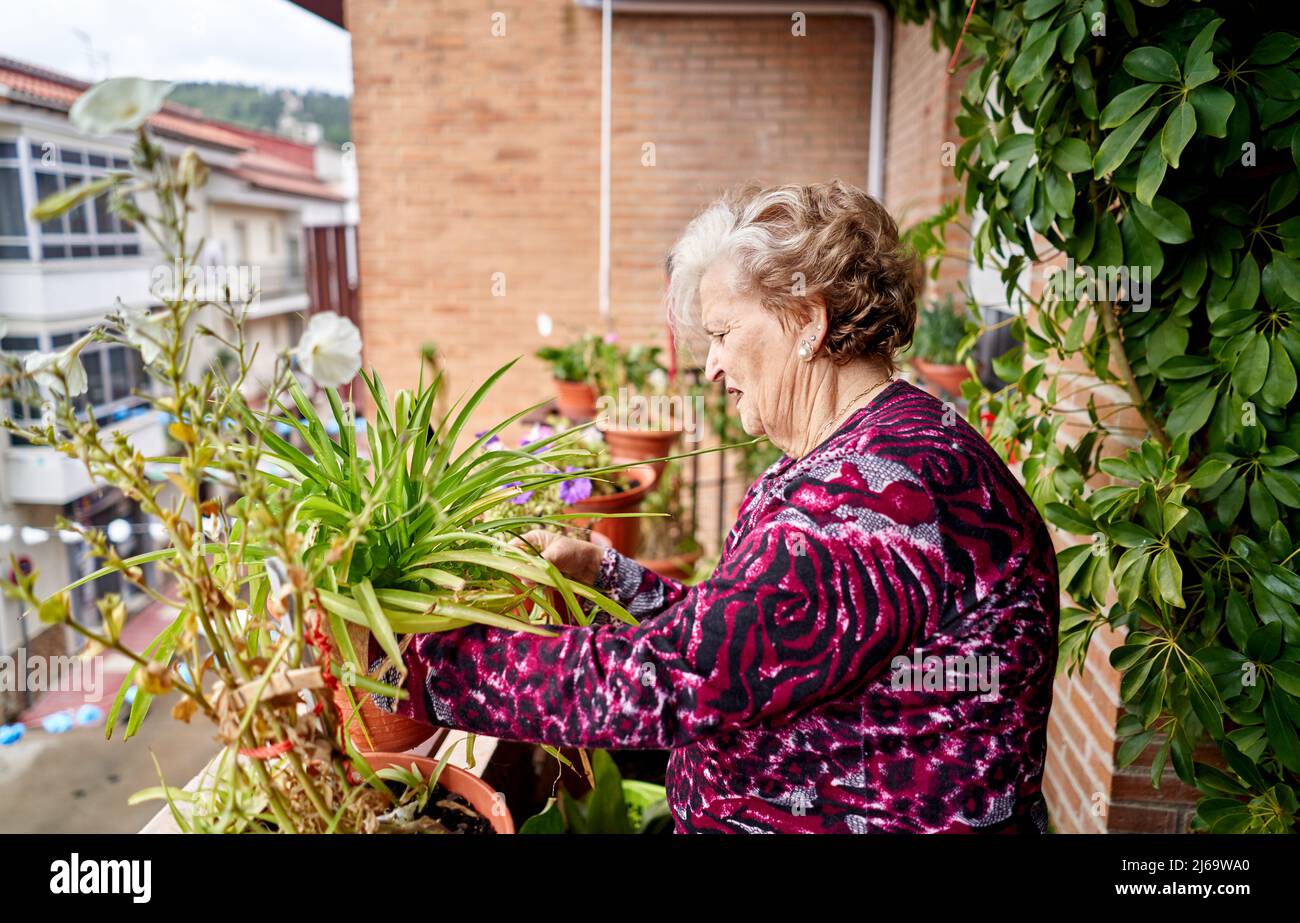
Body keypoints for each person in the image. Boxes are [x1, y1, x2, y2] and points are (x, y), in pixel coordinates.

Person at [367, 179, 1060, 833]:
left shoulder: (873, 498)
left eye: (723, 333)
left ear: (807, 323)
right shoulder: (877, 450)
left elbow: (671, 677)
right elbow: (751, 646)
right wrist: (611, 577)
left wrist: (425, 667)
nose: (714, 366)